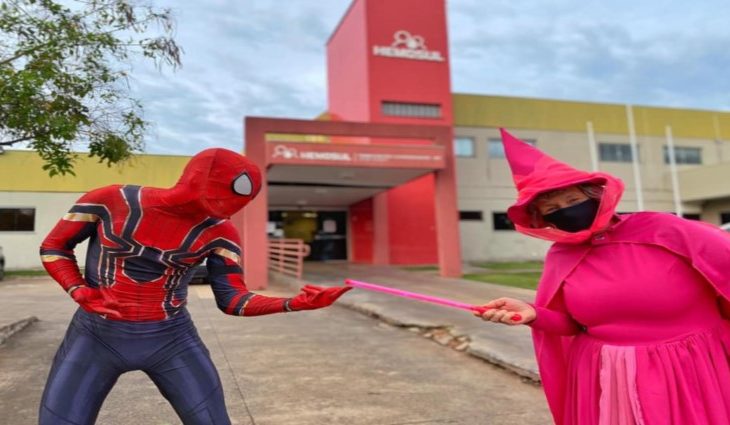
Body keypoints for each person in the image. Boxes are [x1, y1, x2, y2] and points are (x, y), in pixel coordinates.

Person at [38, 148, 351, 425]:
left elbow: (233, 300)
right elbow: (55, 246)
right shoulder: (111, 200)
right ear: (199, 177)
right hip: (96, 335)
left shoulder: (221, 233)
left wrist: (294, 303)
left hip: (171, 339)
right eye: (236, 192)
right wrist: (77, 289)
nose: (237, 205)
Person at [474, 129, 730, 424]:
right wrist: (533, 314)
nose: (567, 211)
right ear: (543, 220)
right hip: (606, 374)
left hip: (690, 367)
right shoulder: (562, 256)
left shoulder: (667, 229)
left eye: (572, 200)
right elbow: (573, 324)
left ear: (596, 196)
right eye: (553, 209)